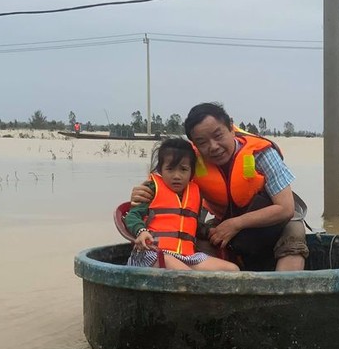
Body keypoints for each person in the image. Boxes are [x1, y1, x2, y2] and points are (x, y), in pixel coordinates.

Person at [130, 102, 309, 271]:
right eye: (202, 142)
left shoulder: (262, 154)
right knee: (201, 236)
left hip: (271, 223)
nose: (213, 147)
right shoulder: (190, 161)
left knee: (294, 232)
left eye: (218, 135)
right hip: (224, 222)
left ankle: (281, 299)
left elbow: (286, 208)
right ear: (195, 144)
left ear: (231, 127)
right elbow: (163, 190)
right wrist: (142, 193)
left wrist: (236, 224)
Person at [124, 137, 240, 272]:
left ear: (191, 173)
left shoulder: (194, 193)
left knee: (232, 270)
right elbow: (132, 216)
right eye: (170, 169)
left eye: (183, 169)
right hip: (152, 253)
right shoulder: (151, 189)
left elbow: (193, 225)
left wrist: (209, 231)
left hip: (186, 256)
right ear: (160, 170)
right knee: (185, 274)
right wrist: (141, 232)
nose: (177, 176)